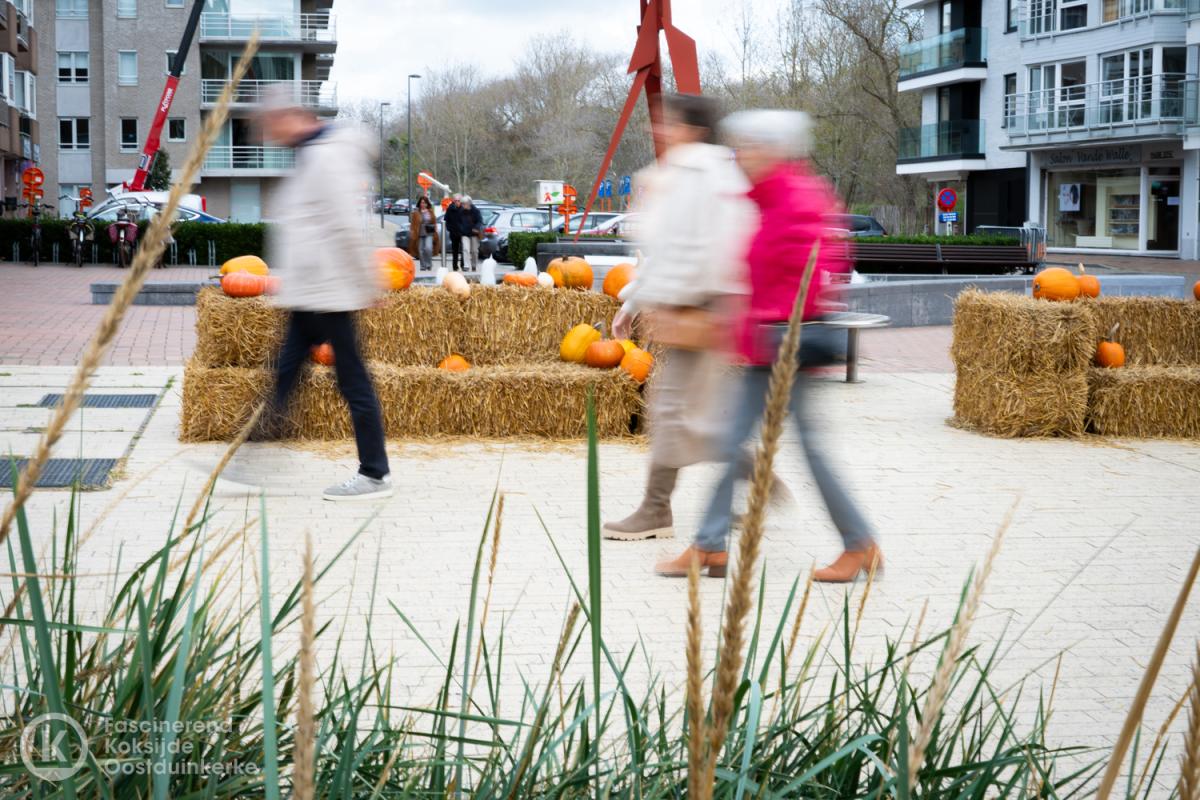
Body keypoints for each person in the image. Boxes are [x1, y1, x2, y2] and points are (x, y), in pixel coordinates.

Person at [654, 109, 881, 583]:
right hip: (770, 345)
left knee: (798, 449)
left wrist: (761, 322)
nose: (743, 156)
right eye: (742, 146)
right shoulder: (771, 198)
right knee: (743, 442)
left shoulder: (794, 199)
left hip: (784, 346)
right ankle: (711, 545)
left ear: (775, 150)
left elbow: (811, 274)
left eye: (751, 147)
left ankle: (858, 544)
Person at [602, 93, 755, 542]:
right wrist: (636, 303)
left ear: (694, 128)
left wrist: (664, 302)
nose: (661, 129)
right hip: (695, 304)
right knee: (681, 411)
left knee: (671, 410)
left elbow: (688, 249)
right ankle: (745, 477)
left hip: (695, 305)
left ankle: (658, 509)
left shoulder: (696, 176)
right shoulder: (705, 173)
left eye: (670, 122)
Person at [257, 85, 393, 501]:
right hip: (310, 291)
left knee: (352, 381)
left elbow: (345, 226)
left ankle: (374, 474)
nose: (270, 134)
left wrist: (367, 283)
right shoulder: (310, 154)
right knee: (284, 377)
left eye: (272, 124)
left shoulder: (327, 156)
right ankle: (249, 460)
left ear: (293, 117)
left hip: (331, 290)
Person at [408, 195, 440, 271]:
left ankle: (429, 264)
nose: (423, 204)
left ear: (427, 204)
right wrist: (412, 232)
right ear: (419, 203)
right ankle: (423, 266)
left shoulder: (430, 212)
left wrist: (435, 230)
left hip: (429, 233)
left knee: (428, 248)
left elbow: (434, 222)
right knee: (420, 250)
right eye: (422, 203)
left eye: (425, 203)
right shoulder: (416, 213)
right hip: (419, 233)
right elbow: (413, 224)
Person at [460, 196, 484, 271]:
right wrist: (461, 229)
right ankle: (466, 266)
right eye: (462, 203)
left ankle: (474, 265)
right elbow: (458, 222)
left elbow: (480, 221)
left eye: (464, 204)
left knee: (474, 251)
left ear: (469, 203)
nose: (463, 205)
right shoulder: (461, 212)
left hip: (474, 234)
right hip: (464, 233)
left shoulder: (476, 211)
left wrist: (476, 228)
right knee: (465, 249)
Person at [444, 194, 465, 270]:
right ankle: (455, 266)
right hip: (454, 232)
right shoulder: (450, 209)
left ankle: (463, 265)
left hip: (463, 232)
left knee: (464, 249)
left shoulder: (464, 208)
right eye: (455, 201)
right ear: (453, 201)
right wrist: (449, 228)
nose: (457, 202)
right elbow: (446, 219)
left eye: (458, 201)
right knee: (455, 250)